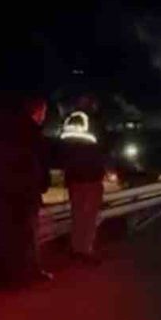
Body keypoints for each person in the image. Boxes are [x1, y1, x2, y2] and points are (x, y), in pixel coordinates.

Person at [0, 95, 51, 287]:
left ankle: (0, 274)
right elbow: (37, 163)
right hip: (22, 193)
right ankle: (24, 272)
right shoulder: (28, 133)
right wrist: (41, 183)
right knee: (25, 234)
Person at [59, 104, 106, 264]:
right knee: (89, 217)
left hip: (74, 178)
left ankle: (76, 248)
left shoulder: (69, 122)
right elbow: (102, 149)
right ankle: (84, 250)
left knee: (78, 215)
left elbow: (63, 151)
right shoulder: (93, 124)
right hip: (91, 178)